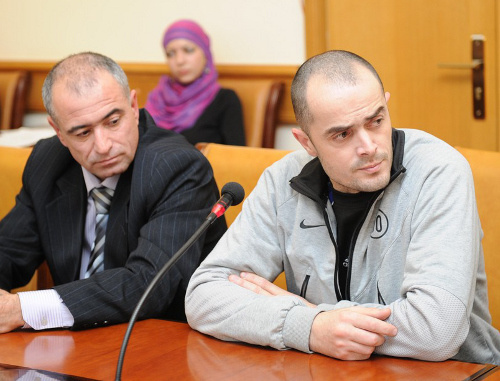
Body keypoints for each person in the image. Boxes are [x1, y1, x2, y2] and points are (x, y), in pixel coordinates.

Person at [185, 50, 500, 365]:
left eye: (376, 121)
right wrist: (312, 328)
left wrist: (313, 319)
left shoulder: (439, 171)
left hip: (454, 373)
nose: (369, 147)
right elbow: (203, 297)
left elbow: (437, 331)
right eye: (343, 134)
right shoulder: (283, 180)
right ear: (306, 142)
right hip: (329, 371)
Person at [0, 52, 226, 332]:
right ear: (58, 131)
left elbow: (147, 284)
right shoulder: (48, 162)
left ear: (133, 106)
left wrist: (22, 309)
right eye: (82, 133)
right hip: (71, 344)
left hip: (158, 343)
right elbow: (8, 251)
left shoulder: (176, 167)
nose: (103, 145)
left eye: (113, 121)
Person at [145, 19, 245, 146]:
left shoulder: (225, 100)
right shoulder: (157, 99)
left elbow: (236, 157)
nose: (179, 61)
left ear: (206, 54)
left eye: (188, 50)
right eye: (171, 53)